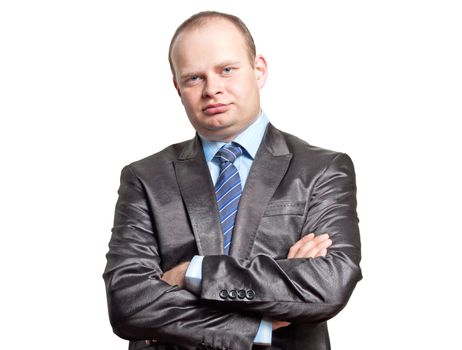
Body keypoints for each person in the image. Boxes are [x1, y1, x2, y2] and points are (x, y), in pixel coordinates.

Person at [103, 10, 362, 350]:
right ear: (177, 87)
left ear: (258, 71)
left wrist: (191, 273)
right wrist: (259, 323)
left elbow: (329, 285)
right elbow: (129, 304)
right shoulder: (146, 178)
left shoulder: (322, 169)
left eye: (226, 70)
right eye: (194, 78)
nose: (212, 89)